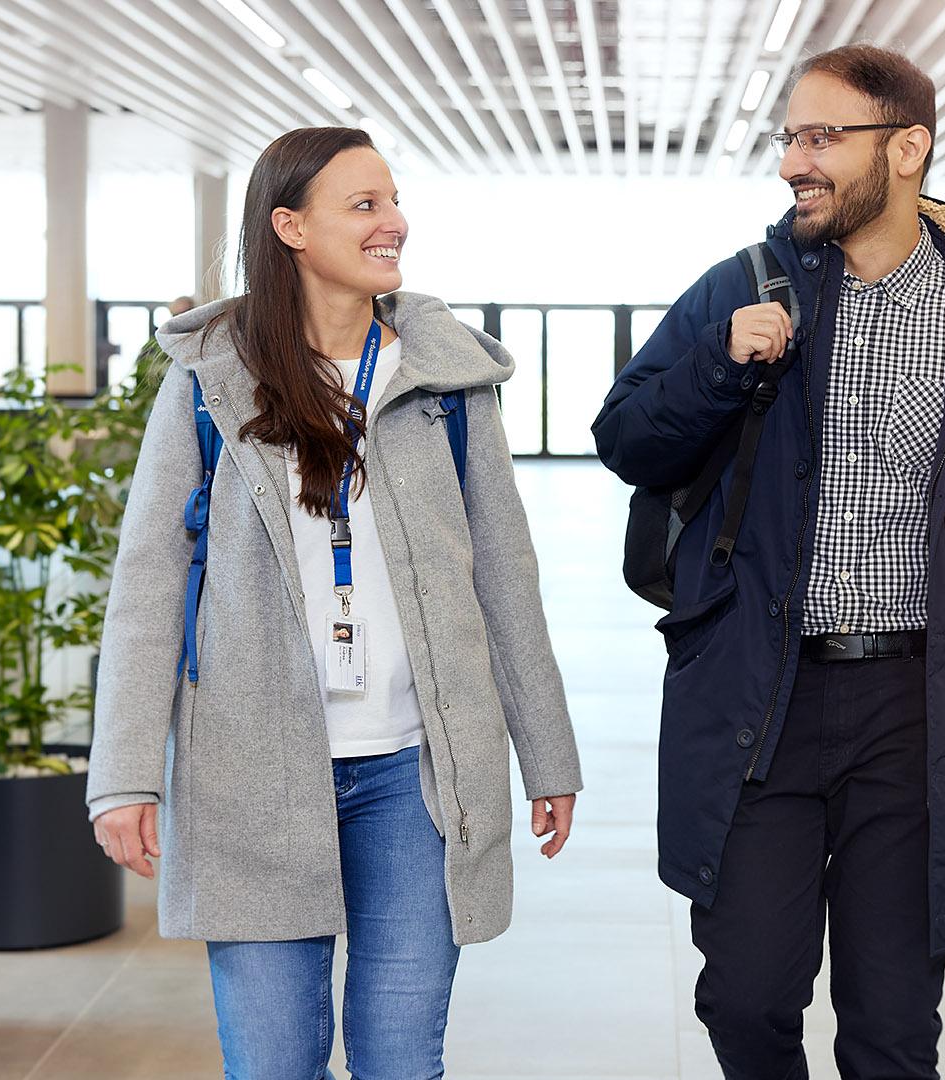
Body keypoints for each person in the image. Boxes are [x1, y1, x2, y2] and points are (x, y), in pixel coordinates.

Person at [592, 44, 945, 1078]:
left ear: (907, 147)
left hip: (924, 711)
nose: (795, 162)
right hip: (761, 696)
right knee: (744, 995)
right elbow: (627, 440)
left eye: (824, 137)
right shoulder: (742, 287)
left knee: (892, 1028)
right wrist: (718, 363)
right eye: (790, 138)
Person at [87, 126, 583, 1079]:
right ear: (290, 227)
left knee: (403, 1061)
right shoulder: (208, 378)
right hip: (251, 771)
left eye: (393, 200)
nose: (394, 222)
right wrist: (123, 774)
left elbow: (505, 576)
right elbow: (148, 580)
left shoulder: (446, 378)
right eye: (364, 205)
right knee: (276, 1066)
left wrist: (546, 752)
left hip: (415, 776)